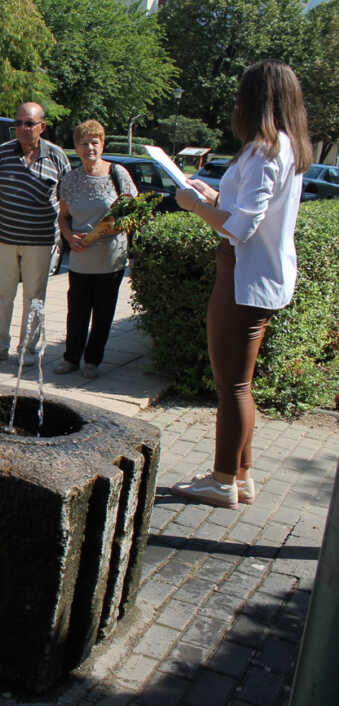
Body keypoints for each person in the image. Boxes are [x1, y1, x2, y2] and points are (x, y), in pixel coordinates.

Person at [171, 60, 310, 509]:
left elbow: (242, 228)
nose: (235, 103)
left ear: (257, 100)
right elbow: (248, 210)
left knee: (231, 384)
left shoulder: (266, 150)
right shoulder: (284, 147)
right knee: (239, 383)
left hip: (242, 277)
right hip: (256, 277)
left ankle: (222, 479)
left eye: (241, 95)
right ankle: (241, 475)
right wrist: (212, 196)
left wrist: (194, 205)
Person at [0, 102, 70, 364]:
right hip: (6, 236)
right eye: (17, 123)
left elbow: (66, 197)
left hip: (40, 240)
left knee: (34, 297)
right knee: (2, 294)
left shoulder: (56, 156)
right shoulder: (3, 152)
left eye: (28, 123)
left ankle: (28, 349)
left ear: (42, 126)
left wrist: (62, 234)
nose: (22, 128)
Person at [54, 120, 138, 380]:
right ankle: (71, 358)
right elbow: (63, 216)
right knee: (76, 311)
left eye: (95, 142)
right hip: (80, 255)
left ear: (102, 144)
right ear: (76, 147)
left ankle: (93, 360)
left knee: (103, 312)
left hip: (110, 256)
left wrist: (109, 229)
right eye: (84, 143)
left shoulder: (118, 174)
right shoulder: (70, 179)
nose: (90, 147)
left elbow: (131, 212)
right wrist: (69, 237)